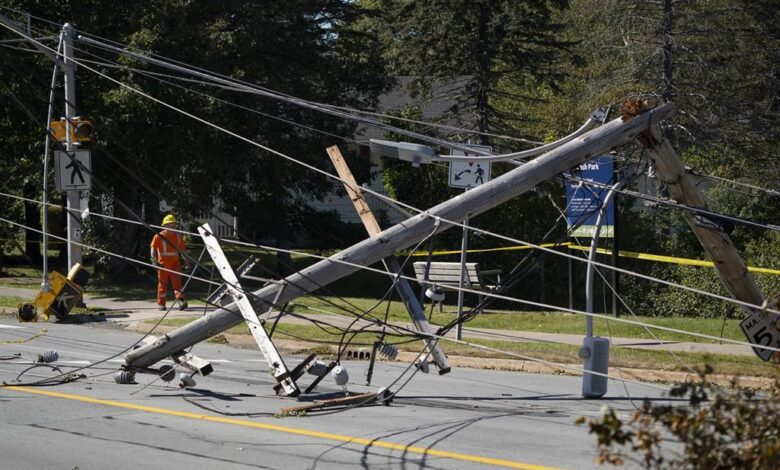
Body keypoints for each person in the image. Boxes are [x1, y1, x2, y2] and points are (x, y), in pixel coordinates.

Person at [150, 214, 189, 311]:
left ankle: (181, 301)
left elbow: (182, 251)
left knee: (177, 284)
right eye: (169, 224)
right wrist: (154, 262)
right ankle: (161, 304)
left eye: (173, 224)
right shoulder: (158, 236)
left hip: (174, 263)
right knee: (162, 284)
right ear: (164, 226)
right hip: (162, 264)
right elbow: (153, 249)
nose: (172, 226)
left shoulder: (178, 237)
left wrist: (186, 261)